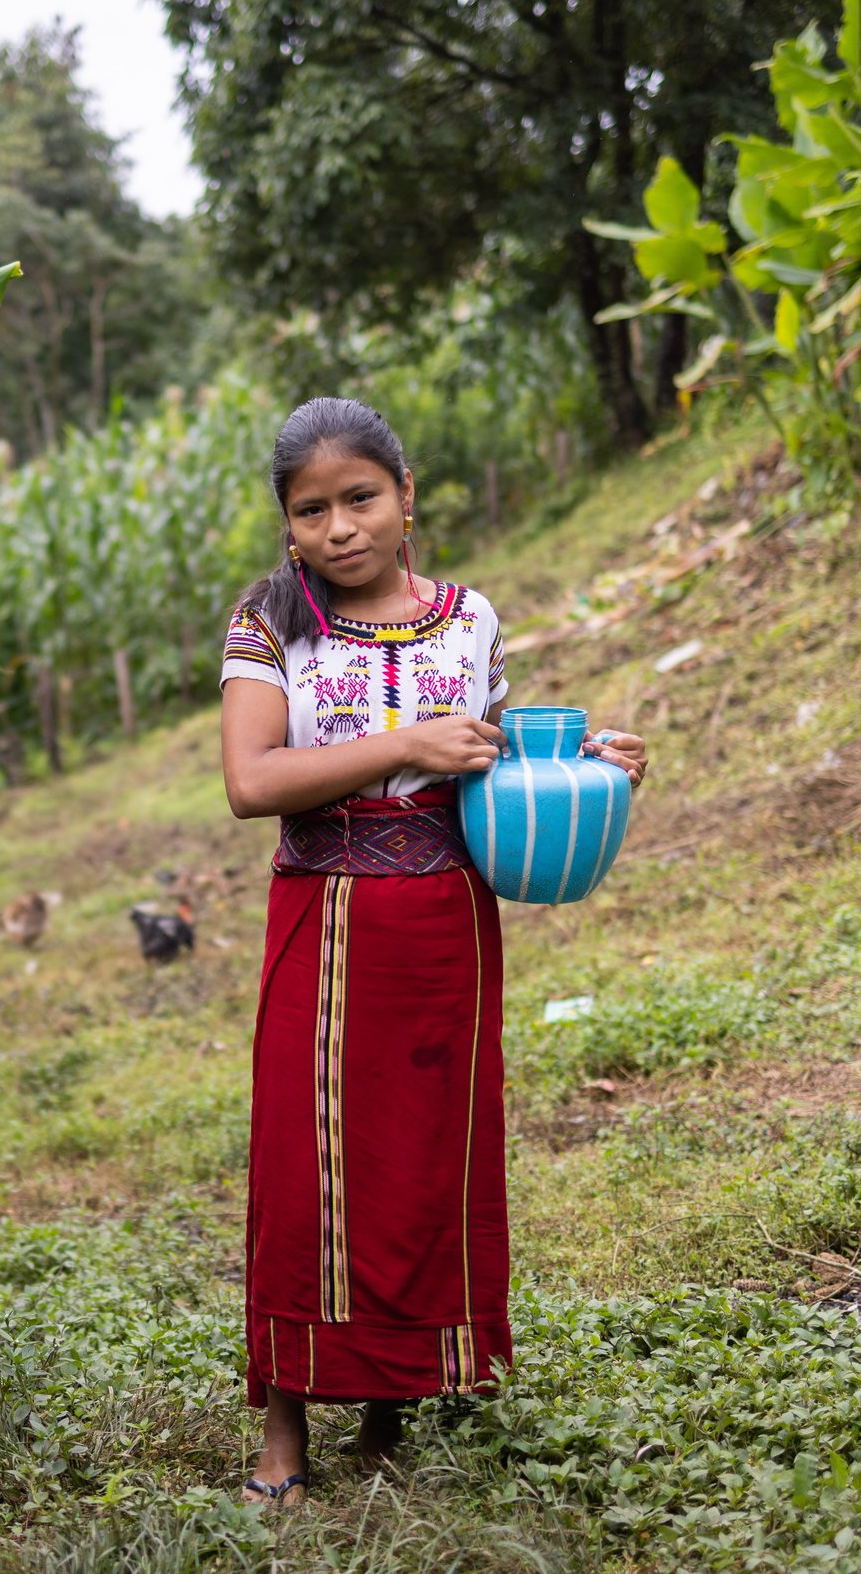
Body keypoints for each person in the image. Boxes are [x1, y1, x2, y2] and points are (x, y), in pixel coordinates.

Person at [217, 397, 648, 1506]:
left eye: (359, 498)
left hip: (445, 923)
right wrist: (401, 743)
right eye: (309, 510)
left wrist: (588, 763)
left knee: (416, 1169)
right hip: (324, 923)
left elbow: (488, 768)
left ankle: (391, 1403)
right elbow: (251, 783)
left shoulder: (469, 621)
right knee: (306, 1173)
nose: (338, 527)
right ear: (288, 529)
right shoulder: (269, 627)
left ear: (406, 499)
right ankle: (282, 1425)